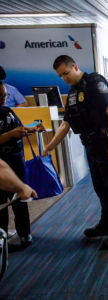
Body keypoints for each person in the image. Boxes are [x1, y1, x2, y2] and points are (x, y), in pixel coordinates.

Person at [42, 55, 108, 250]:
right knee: (100, 187)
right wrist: (50, 146)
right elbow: (65, 124)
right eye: (60, 76)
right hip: (92, 146)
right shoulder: (73, 92)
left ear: (75, 66)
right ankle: (107, 224)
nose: (64, 78)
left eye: (66, 73)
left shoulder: (95, 82)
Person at [0, 80, 44, 251]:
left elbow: (19, 128)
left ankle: (25, 234)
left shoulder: (7, 111)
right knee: (2, 205)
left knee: (20, 199)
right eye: (0, 96)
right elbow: (10, 134)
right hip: (2, 165)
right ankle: (2, 237)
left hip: (15, 161)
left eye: (5, 95)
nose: (3, 98)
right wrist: (10, 135)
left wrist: (31, 129)